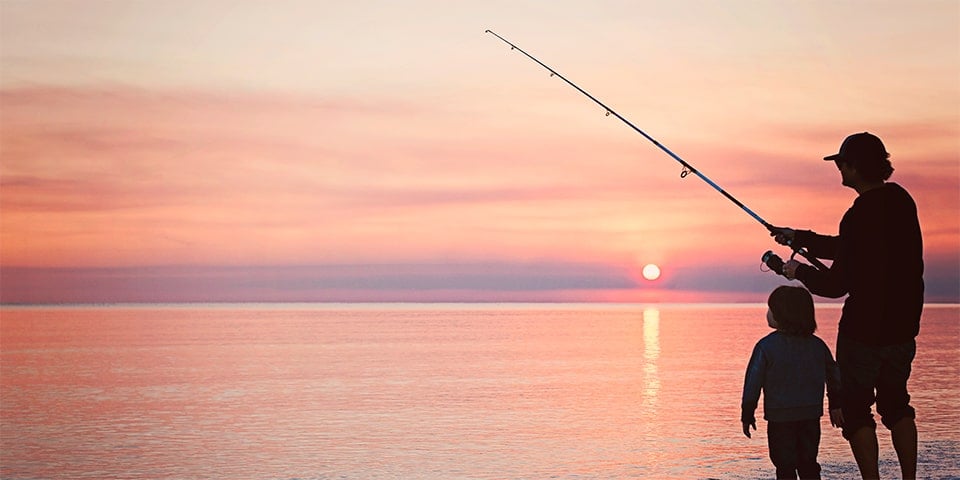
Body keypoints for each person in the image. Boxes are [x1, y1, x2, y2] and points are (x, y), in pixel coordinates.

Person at [773, 132, 924, 479]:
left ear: (855, 167)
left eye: (841, 162)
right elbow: (852, 247)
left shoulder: (858, 214)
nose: (838, 168)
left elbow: (836, 285)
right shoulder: (902, 200)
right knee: (896, 404)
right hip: (903, 325)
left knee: (856, 411)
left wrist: (796, 271)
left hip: (862, 332)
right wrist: (800, 237)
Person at [741, 285, 843, 480]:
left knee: (784, 465)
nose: (768, 313)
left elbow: (753, 381)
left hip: (780, 418)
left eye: (771, 309)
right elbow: (834, 376)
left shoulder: (766, 347)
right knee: (808, 462)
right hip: (810, 414)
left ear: (781, 314)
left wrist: (747, 412)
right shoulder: (817, 345)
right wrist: (836, 404)